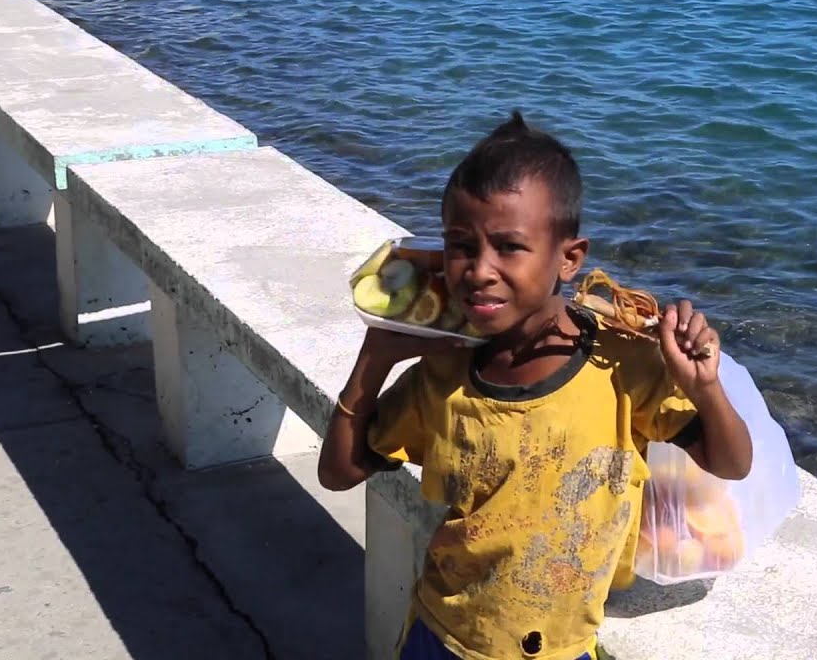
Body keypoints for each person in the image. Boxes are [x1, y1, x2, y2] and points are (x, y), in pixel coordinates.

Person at [318, 111, 753, 660]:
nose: (479, 269)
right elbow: (338, 473)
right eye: (460, 245)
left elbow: (732, 462)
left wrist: (704, 387)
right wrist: (372, 362)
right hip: (445, 638)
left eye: (509, 247)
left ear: (569, 258)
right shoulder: (446, 374)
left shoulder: (620, 368)